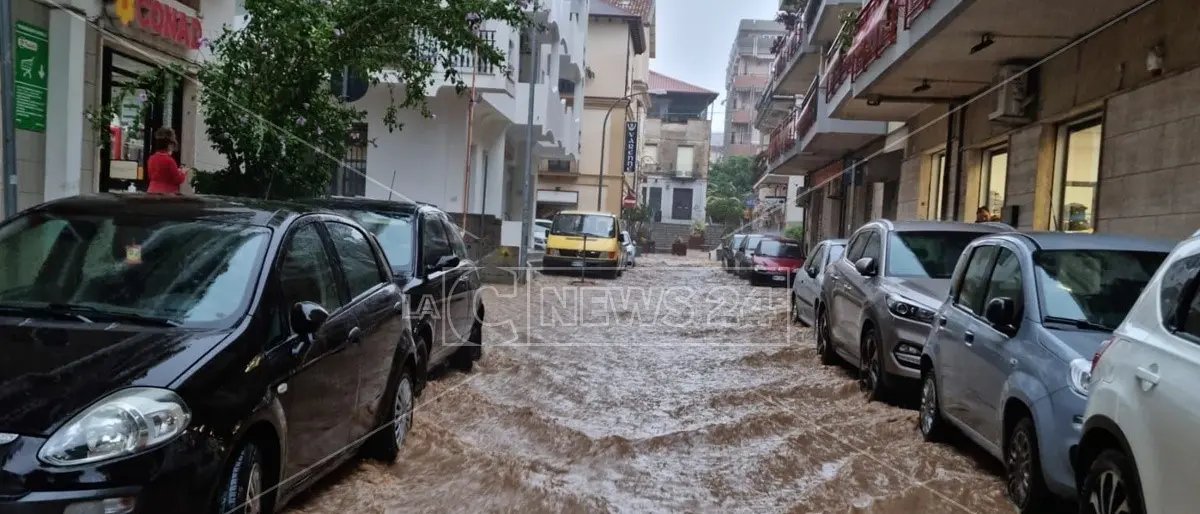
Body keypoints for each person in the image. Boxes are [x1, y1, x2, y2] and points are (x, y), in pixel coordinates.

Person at [146, 127, 187, 194]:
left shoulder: (151, 158)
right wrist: (183, 172)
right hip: (167, 194)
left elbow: (151, 176)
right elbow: (177, 179)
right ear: (169, 145)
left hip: (151, 192)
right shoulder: (169, 160)